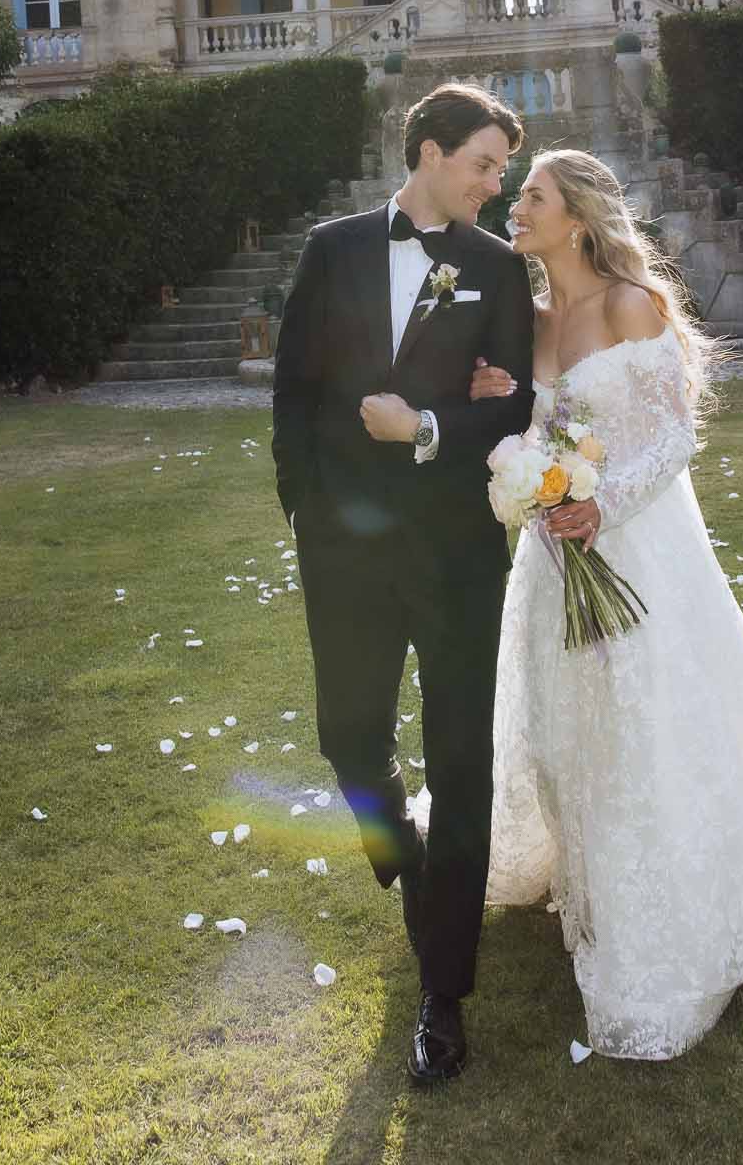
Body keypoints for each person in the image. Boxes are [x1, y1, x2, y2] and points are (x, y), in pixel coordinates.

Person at [470, 148, 743, 1061]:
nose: (515, 208)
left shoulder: (626, 304)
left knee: (650, 717)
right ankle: (593, 870)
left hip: (638, 545)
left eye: (530, 196)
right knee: (574, 721)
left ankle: (677, 912)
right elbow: (541, 427)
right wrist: (521, 451)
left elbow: (676, 434)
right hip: (554, 552)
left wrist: (600, 504)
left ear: (575, 218)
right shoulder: (530, 320)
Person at [272, 83, 534, 1086]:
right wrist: (302, 508)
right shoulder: (331, 247)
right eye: (482, 163)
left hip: (461, 552)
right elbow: (294, 388)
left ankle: (445, 993)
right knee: (348, 736)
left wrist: (426, 428)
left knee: (461, 761)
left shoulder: (498, 267)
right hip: (343, 548)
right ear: (429, 151)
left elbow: (520, 408)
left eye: (503, 169)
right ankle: (413, 864)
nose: (493, 182)